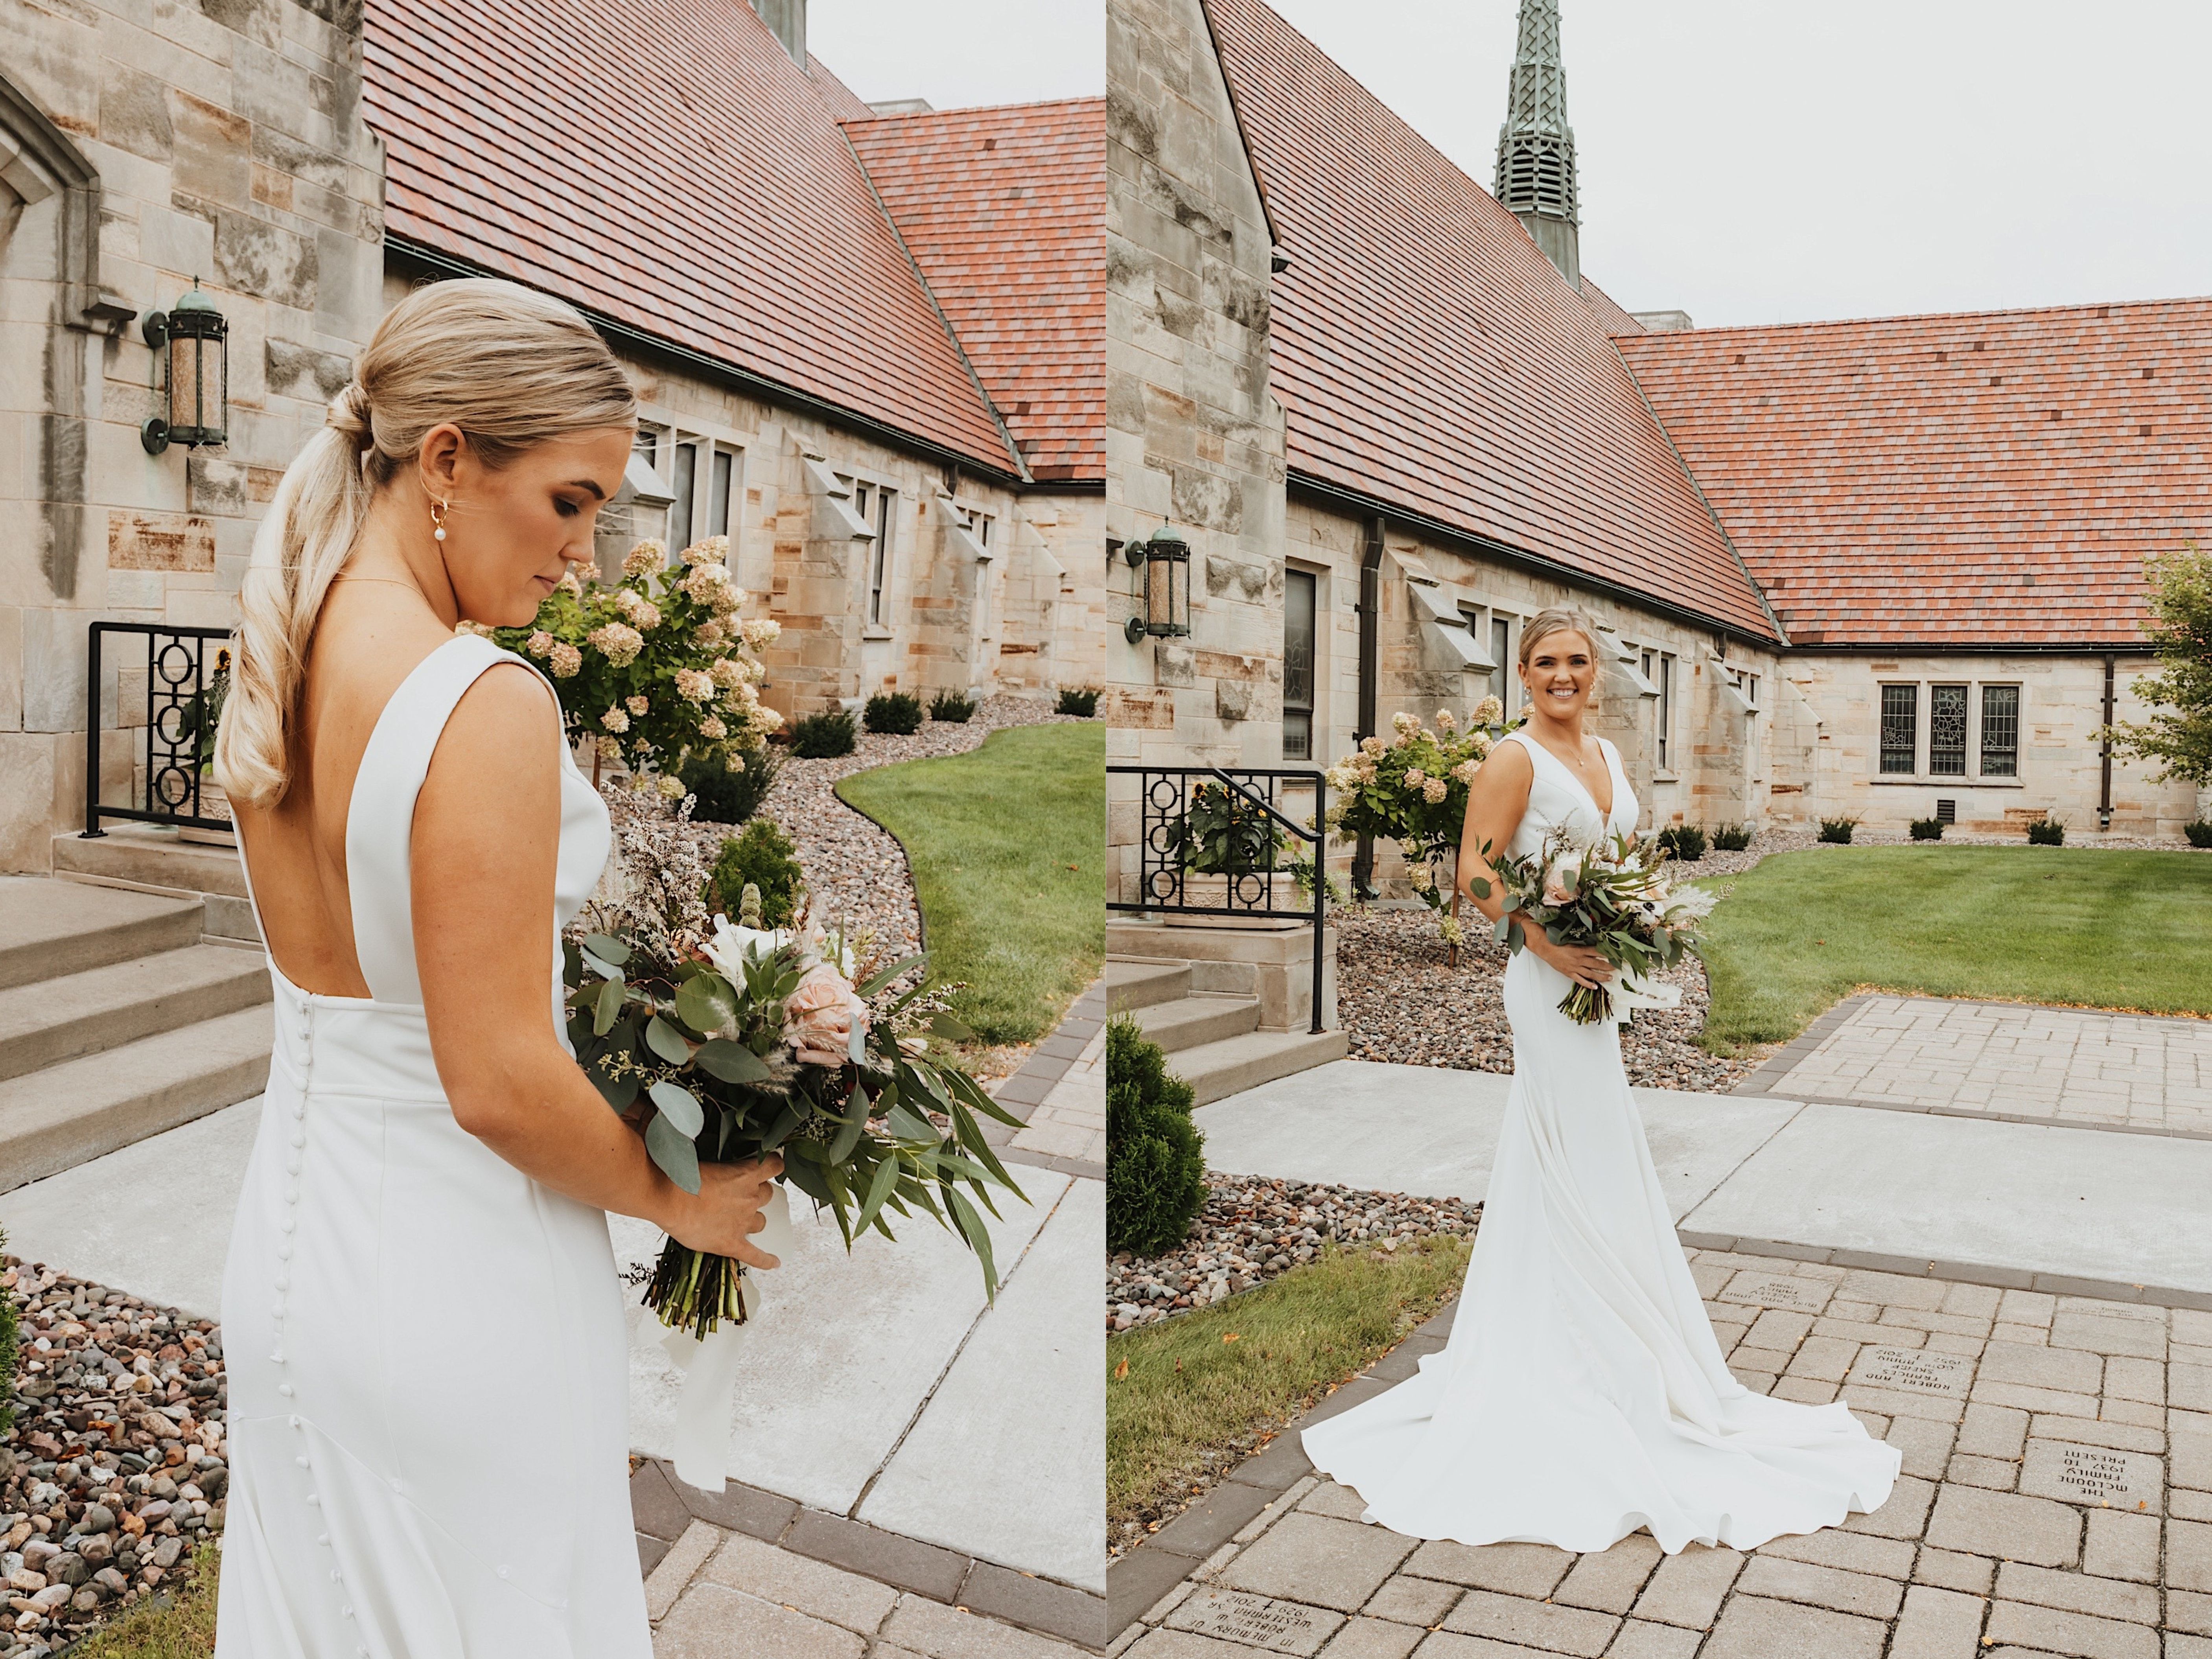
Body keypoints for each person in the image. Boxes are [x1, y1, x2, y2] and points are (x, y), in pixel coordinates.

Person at [210, 277, 783, 1655]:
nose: (582, 557)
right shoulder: (483, 703)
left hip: (295, 1260)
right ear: (450, 461)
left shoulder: (281, 651)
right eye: (571, 502)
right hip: (461, 1284)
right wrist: (678, 1201)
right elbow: (496, 1083)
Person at [1300, 606, 1899, 1552]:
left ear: (1595, 670)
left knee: (1585, 1154)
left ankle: (1600, 1345)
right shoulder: (1512, 758)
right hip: (1545, 988)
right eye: (1544, 662)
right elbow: (1474, 872)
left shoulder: (1613, 758)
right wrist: (1545, 941)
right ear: (1523, 670)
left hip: (1596, 979)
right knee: (1572, 1147)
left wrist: (1632, 924)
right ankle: (1570, 1356)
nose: (1562, 675)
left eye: (1576, 660)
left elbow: (1621, 862)